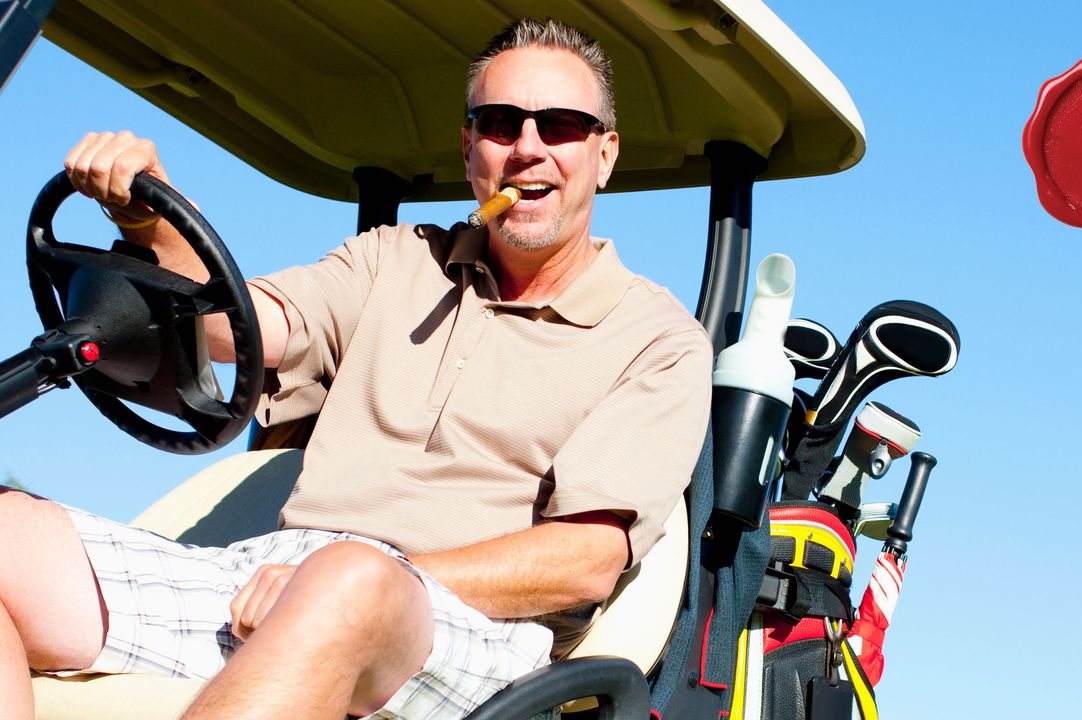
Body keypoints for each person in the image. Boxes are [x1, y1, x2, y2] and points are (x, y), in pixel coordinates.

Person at [0, 18, 711, 720]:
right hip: (277, 573)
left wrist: (357, 580)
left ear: (604, 154)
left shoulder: (655, 337)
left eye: (559, 126)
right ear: (470, 150)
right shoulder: (392, 261)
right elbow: (229, 324)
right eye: (500, 124)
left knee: (350, 580)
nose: (527, 149)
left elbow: (584, 559)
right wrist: (147, 223)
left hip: (468, 628)